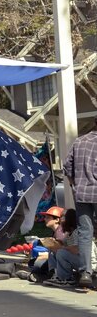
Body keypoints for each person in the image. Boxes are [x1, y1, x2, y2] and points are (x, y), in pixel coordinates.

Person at [63, 120, 97, 289]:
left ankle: (85, 272)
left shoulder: (80, 141)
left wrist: (73, 186)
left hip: (82, 194)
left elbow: (67, 166)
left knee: (85, 233)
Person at [44, 209, 84, 287]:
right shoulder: (69, 234)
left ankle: (67, 279)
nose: (61, 219)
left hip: (88, 264)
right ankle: (56, 275)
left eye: (63, 217)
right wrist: (55, 244)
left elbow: (76, 250)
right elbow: (65, 246)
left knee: (62, 252)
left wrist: (61, 247)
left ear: (70, 219)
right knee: (53, 249)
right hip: (78, 260)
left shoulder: (77, 232)